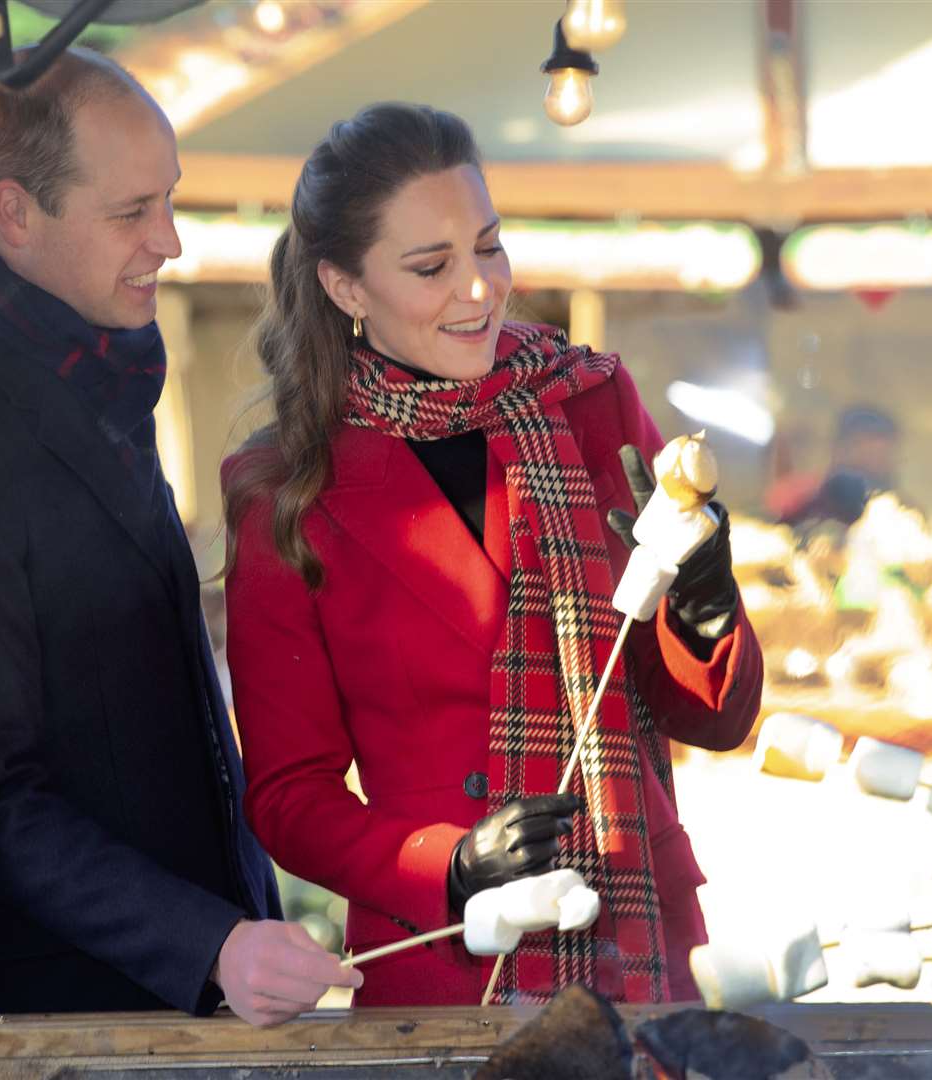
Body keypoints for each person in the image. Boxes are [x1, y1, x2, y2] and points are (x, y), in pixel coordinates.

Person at [221, 103, 764, 1008]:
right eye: (432, 267)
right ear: (345, 287)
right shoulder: (285, 488)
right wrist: (451, 864)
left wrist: (703, 609)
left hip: (635, 935)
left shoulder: (592, 401)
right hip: (444, 961)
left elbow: (710, 717)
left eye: (490, 246)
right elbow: (287, 796)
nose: (480, 289)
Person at [0, 48, 360, 1027]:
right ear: (14, 214)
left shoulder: (91, 352)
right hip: (73, 1021)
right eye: (132, 211)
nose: (171, 240)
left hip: (192, 994)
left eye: (169, 198)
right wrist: (207, 942)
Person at [767, 405, 902, 533]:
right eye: (865, 451)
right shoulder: (797, 500)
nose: (873, 462)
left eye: (881, 455)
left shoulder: (900, 518)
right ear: (838, 449)